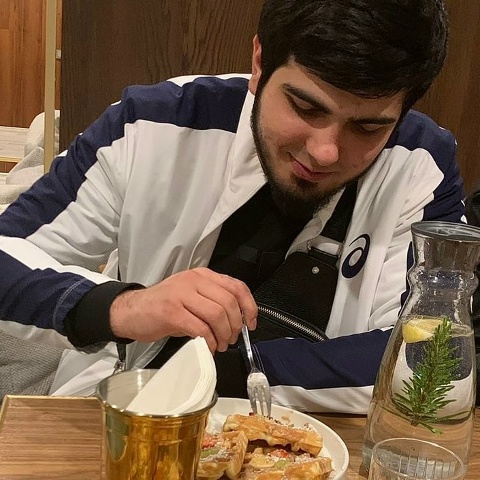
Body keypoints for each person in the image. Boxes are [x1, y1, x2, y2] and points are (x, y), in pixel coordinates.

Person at [0, 0, 465, 412]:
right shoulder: (154, 122)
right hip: (125, 412)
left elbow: (433, 359)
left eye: (367, 128)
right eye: (305, 108)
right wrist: (125, 307)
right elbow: (7, 258)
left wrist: (220, 370)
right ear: (260, 62)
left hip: (319, 440)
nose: (324, 152)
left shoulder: (423, 164)